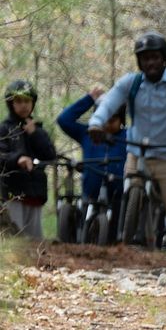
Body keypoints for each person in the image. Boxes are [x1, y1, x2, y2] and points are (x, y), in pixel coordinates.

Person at [87, 32, 166, 255]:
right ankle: (125, 251)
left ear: (164, 59)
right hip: (137, 155)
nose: (150, 63)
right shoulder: (131, 83)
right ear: (139, 62)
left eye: (155, 57)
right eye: (145, 58)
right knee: (128, 197)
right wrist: (96, 124)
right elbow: (108, 104)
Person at [57, 85, 126, 218]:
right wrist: (89, 99)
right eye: (103, 118)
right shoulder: (87, 134)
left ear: (121, 119)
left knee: (115, 235)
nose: (107, 124)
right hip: (90, 196)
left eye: (112, 120)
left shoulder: (128, 136)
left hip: (119, 198)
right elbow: (63, 120)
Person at [0, 79, 56, 238]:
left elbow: (50, 155)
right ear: (11, 103)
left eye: (27, 101)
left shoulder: (37, 130)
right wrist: (18, 159)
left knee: (35, 239)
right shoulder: (5, 129)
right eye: (18, 101)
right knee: (15, 237)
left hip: (35, 193)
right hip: (12, 192)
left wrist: (35, 134)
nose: (23, 105)